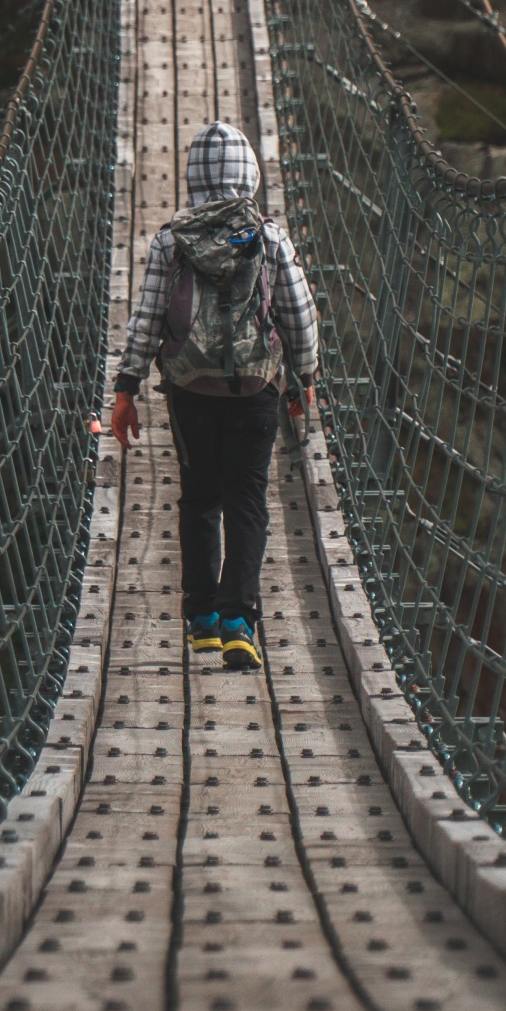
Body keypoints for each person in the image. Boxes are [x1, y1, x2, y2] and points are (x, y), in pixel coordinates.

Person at [110, 121, 318, 672]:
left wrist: (126, 387)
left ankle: (200, 618)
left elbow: (148, 318)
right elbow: (297, 315)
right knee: (247, 499)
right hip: (256, 387)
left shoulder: (170, 241)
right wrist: (304, 377)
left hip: (189, 388)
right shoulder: (270, 237)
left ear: (192, 176)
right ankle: (237, 620)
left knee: (199, 497)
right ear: (249, 173)